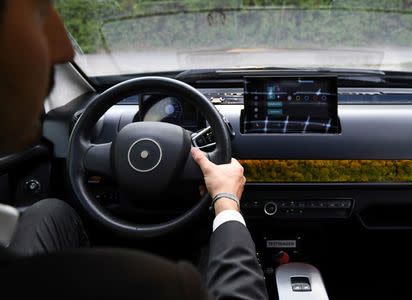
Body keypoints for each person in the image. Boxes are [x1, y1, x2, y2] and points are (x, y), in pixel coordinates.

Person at [0, 0, 268, 299]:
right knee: (206, 250)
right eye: (38, 15)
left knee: (52, 211)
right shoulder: (167, 284)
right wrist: (226, 202)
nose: (64, 49)